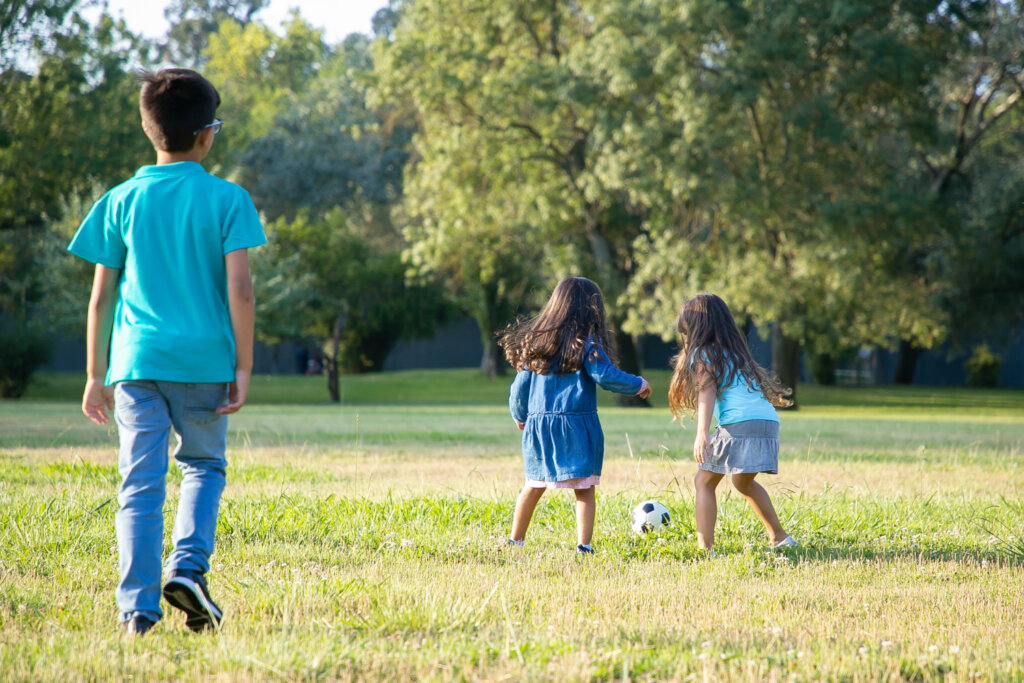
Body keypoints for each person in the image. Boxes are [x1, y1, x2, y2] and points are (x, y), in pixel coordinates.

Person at [68, 68, 266, 636]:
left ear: (148, 130)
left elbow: (101, 297)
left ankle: (137, 609)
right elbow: (241, 290)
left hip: (135, 364)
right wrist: (245, 366)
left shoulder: (121, 200)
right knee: (202, 465)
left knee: (140, 484)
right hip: (204, 363)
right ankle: (188, 569)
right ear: (206, 135)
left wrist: (93, 373)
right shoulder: (228, 199)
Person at [499, 277, 652, 554]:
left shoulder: (537, 342)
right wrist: (638, 384)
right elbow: (604, 375)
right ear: (590, 309)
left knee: (533, 485)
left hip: (540, 427)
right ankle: (584, 546)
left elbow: (519, 387)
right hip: (576, 427)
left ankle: (515, 541)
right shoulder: (587, 343)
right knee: (584, 489)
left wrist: (519, 415)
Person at [667, 293, 797, 552]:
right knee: (743, 482)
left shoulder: (704, 353)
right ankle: (780, 538)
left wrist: (702, 433)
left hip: (739, 424)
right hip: (768, 421)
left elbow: (707, 391)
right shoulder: (735, 353)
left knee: (703, 482)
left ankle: (705, 549)